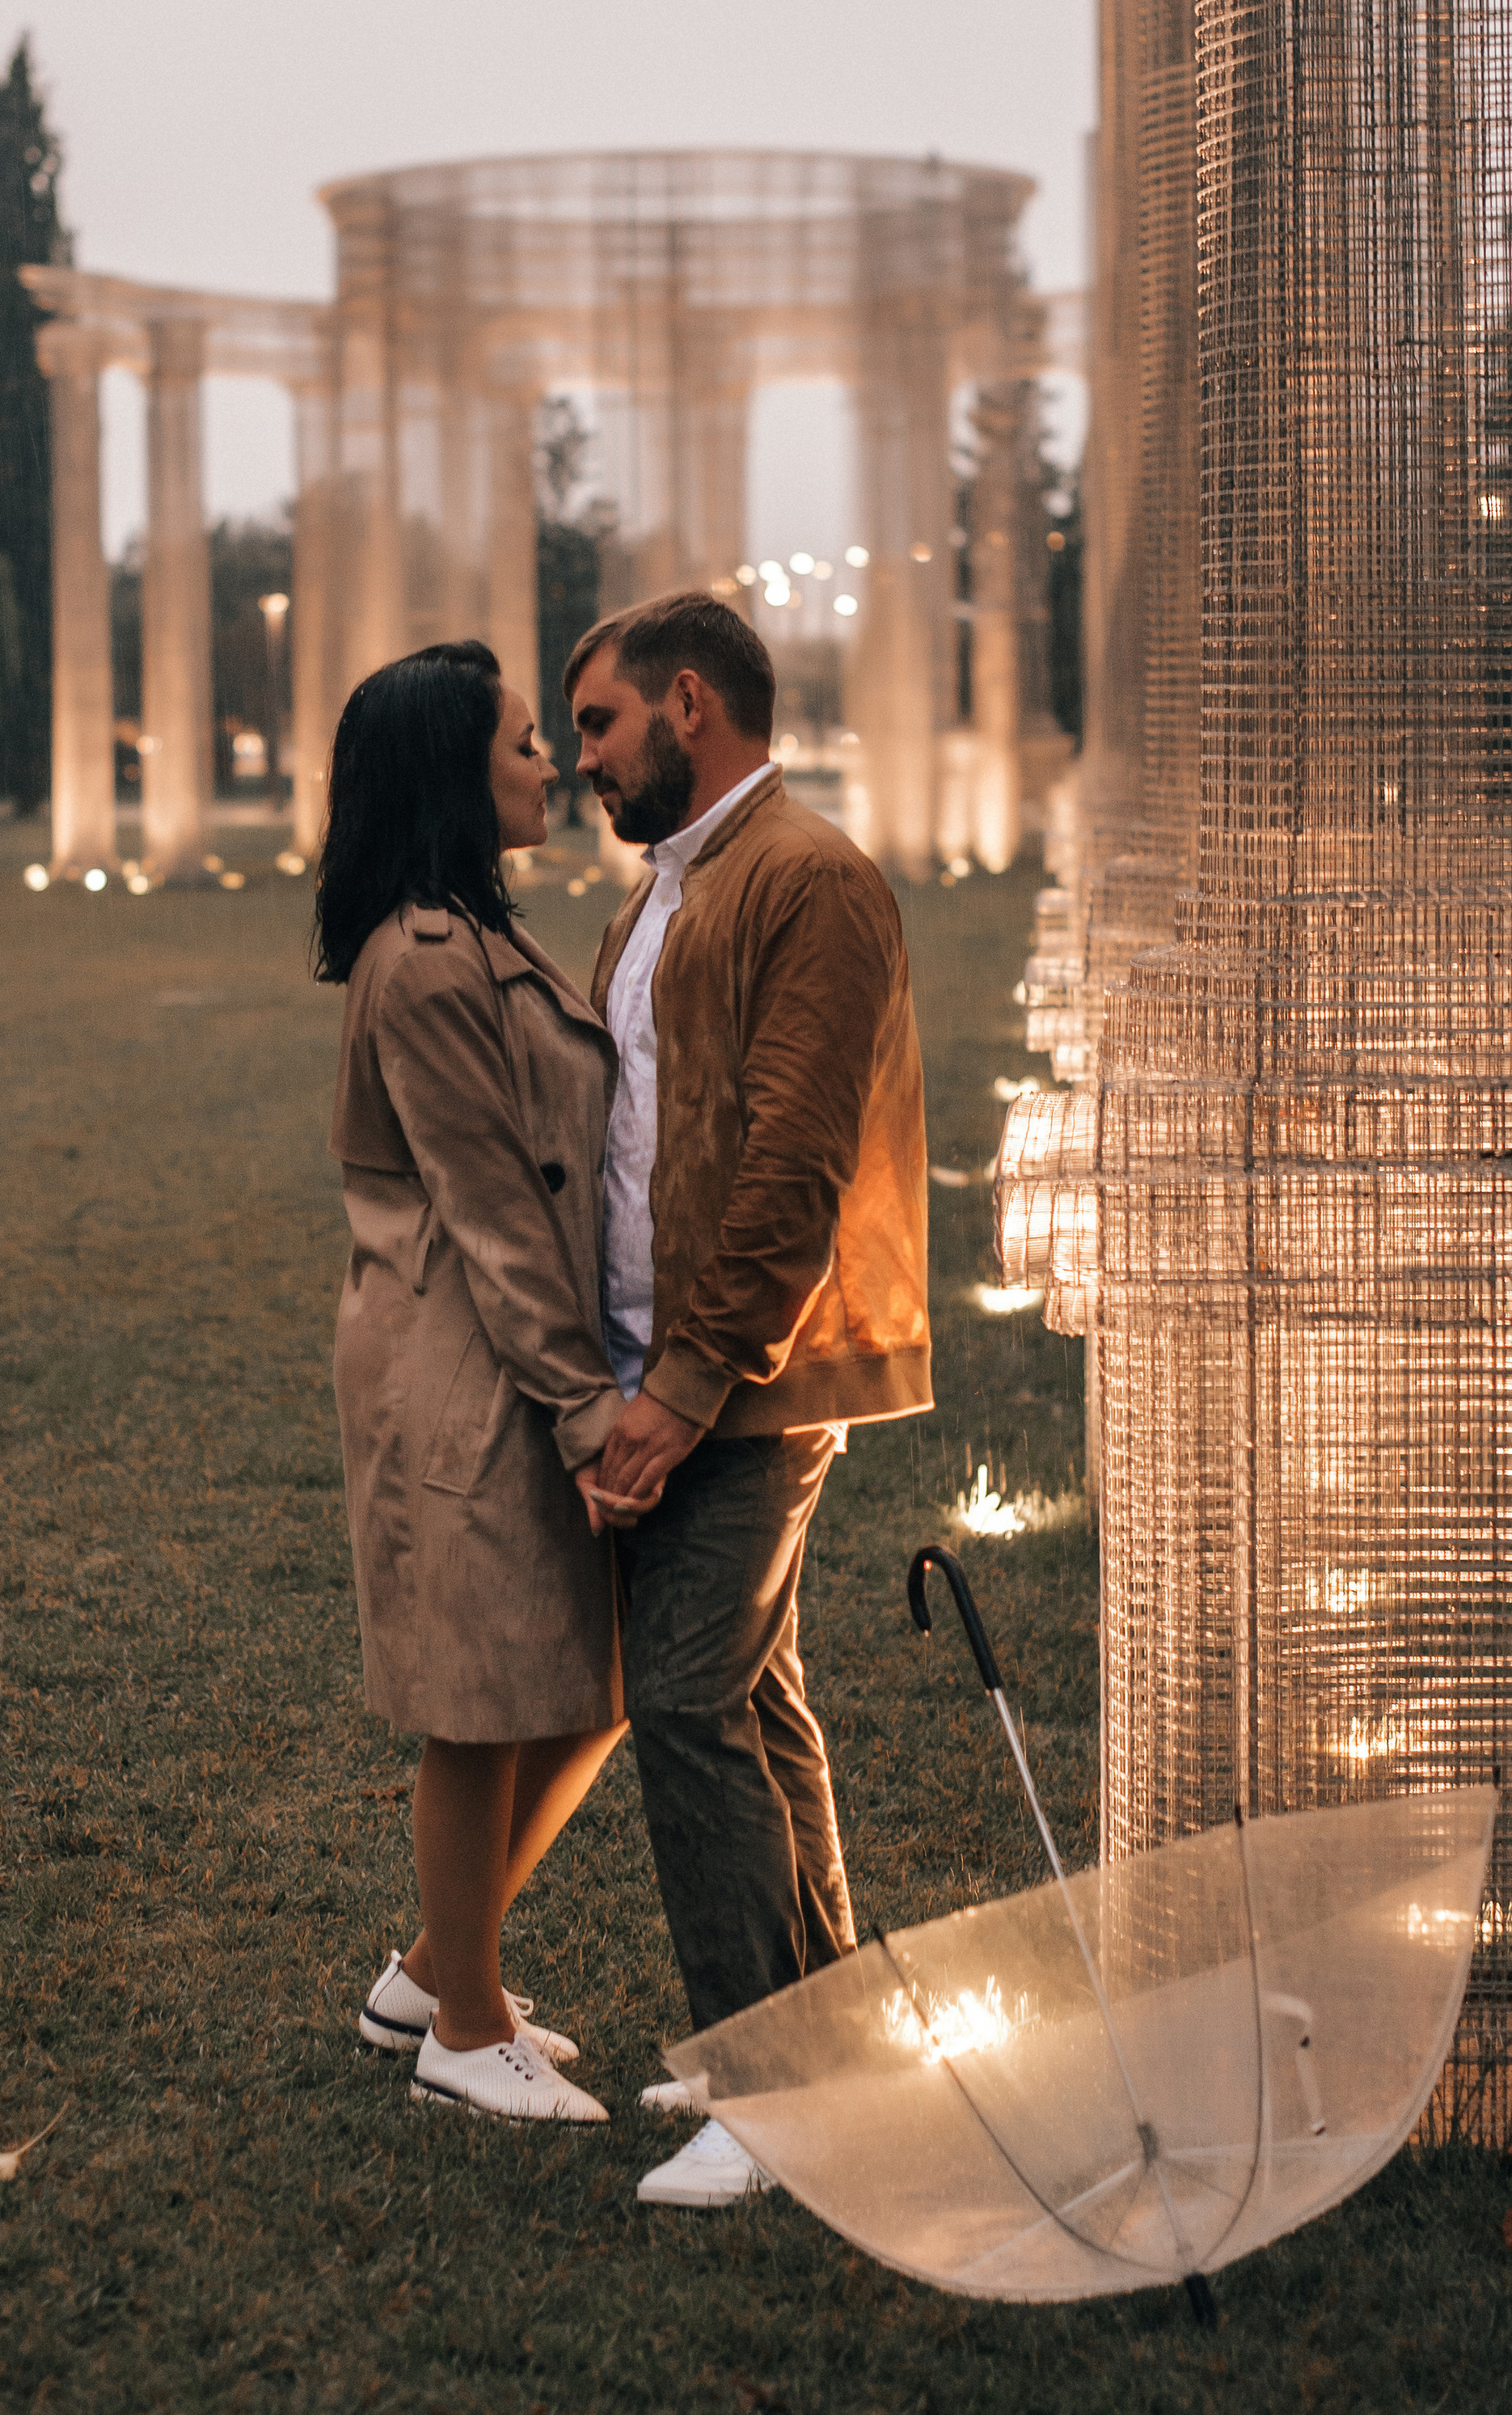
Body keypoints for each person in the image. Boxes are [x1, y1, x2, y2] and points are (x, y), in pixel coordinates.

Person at [564, 590, 931, 2208]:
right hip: (670, 1355)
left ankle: (776, 2095)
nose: (581, 757)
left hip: (747, 1375)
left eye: (597, 723)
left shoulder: (808, 879)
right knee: (752, 1693)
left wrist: (689, 1378)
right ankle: (825, 2046)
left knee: (688, 1704)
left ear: (685, 703)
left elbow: (791, 1158)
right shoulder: (670, 885)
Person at [316, 638, 630, 2123]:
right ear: (457, 775)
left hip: (490, 1349)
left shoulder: (468, 933)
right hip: (464, 1362)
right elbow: (495, 1206)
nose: (550, 761)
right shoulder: (431, 962)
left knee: (588, 1679)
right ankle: (464, 2025)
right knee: (483, 1699)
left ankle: (436, 1973)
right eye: (522, 742)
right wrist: (585, 1401)